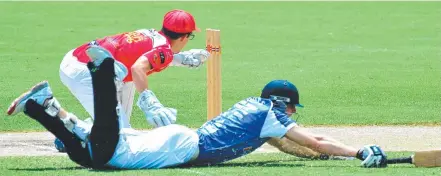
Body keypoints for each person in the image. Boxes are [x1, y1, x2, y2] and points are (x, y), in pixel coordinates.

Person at [6, 47, 388, 169]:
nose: (292, 118)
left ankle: (51, 112)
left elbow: (292, 145)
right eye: (292, 111)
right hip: (181, 146)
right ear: (283, 104)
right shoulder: (271, 116)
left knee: (96, 153)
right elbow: (316, 140)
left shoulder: (257, 113)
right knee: (107, 155)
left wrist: (322, 157)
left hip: (182, 139)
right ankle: (101, 71)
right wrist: (358, 151)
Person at [7, 9, 210, 152]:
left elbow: (141, 57)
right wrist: (151, 103)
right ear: (184, 37)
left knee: (122, 130)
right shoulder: (164, 49)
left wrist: (180, 59)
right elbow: (140, 67)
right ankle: (47, 104)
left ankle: (76, 136)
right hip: (85, 71)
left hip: (84, 61)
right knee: (117, 138)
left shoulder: (150, 33)